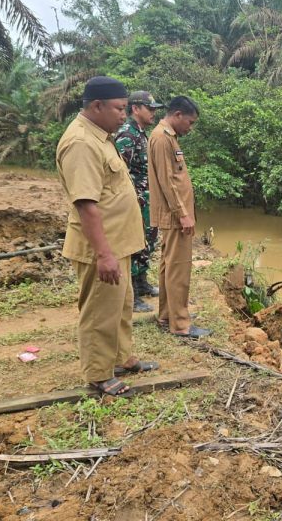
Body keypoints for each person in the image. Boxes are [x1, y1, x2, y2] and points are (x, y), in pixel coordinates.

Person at [56, 76, 159, 396]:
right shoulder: (81, 143)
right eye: (119, 109)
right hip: (102, 246)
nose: (122, 115)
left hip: (120, 242)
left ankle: (121, 358)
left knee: (121, 304)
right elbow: (86, 203)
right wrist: (103, 253)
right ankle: (99, 374)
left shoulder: (101, 135)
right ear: (96, 106)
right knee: (101, 310)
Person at [148, 96, 212, 339]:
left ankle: (167, 316)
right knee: (179, 269)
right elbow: (168, 182)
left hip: (173, 215)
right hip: (175, 216)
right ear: (177, 115)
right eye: (190, 121)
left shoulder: (166, 136)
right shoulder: (163, 138)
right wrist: (183, 215)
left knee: (169, 266)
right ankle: (181, 324)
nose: (190, 127)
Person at [114, 91, 164, 313]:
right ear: (135, 108)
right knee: (135, 245)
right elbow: (118, 173)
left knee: (147, 242)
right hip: (135, 202)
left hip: (146, 200)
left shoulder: (141, 134)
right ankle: (131, 294)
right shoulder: (127, 135)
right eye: (149, 108)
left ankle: (142, 283)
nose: (153, 113)